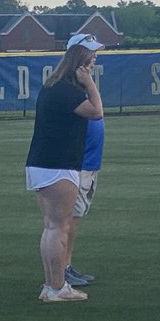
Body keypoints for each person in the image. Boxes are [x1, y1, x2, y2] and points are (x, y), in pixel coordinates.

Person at [25, 33, 105, 303]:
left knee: (52, 227)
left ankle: (52, 285)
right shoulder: (67, 90)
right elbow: (96, 111)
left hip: (45, 164)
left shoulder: (54, 86)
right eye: (90, 54)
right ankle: (57, 287)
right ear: (78, 58)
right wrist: (90, 84)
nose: (94, 58)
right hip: (57, 166)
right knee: (59, 227)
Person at [63, 115, 105, 289]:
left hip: (89, 165)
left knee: (74, 218)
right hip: (80, 166)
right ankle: (62, 269)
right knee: (69, 219)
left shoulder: (86, 101)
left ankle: (67, 266)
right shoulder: (77, 101)